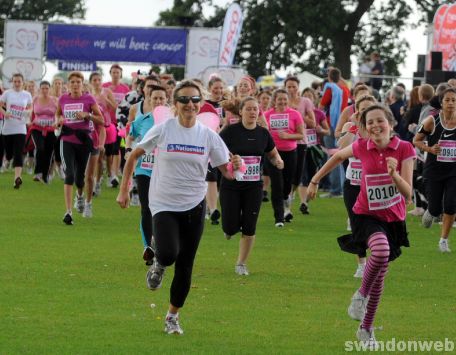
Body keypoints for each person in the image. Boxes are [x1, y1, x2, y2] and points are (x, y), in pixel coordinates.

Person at [117, 80, 242, 335]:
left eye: (195, 100)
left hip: (194, 207)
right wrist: (124, 188)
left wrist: (236, 165)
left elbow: (226, 172)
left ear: (201, 104)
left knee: (186, 265)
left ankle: (172, 317)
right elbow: (134, 154)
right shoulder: (164, 129)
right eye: (184, 100)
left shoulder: (208, 136)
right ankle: (159, 264)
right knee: (169, 253)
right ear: (175, 104)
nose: (190, 104)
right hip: (163, 203)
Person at [308, 103, 415, 348]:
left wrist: (394, 175)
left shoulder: (404, 149)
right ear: (365, 129)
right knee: (380, 252)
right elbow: (337, 156)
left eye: (380, 121)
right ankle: (360, 296)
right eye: (370, 123)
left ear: (390, 123)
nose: (376, 126)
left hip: (393, 218)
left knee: (380, 276)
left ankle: (366, 328)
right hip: (365, 215)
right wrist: (315, 179)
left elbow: (408, 194)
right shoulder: (361, 146)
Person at [219, 97, 283, 275]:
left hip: (254, 186)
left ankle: (241, 264)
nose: (253, 112)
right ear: (240, 112)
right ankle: (230, 228)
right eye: (249, 109)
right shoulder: (230, 132)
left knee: (250, 225)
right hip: (231, 184)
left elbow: (272, 153)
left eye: (256, 109)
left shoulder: (263, 133)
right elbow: (216, 153)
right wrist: (231, 162)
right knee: (230, 226)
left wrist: (278, 160)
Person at [125, 85, 167, 264]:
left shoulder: (172, 121)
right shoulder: (142, 119)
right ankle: (148, 247)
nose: (158, 101)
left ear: (166, 101)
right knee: (146, 208)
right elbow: (130, 135)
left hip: (165, 172)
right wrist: (128, 149)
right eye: (154, 98)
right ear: (148, 99)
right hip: (144, 168)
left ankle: (159, 242)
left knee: (163, 209)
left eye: (161, 98)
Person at [56, 71, 104, 225]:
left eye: (78, 82)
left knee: (80, 178)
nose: (75, 84)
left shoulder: (88, 98)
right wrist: (59, 120)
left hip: (83, 141)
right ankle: (68, 212)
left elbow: (101, 120)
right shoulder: (63, 98)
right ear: (68, 85)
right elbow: (58, 114)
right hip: (67, 139)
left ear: (82, 85)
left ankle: (80, 196)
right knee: (69, 174)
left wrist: (87, 115)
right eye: (72, 82)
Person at [338, 95, 377, 278]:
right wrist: (354, 128)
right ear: (357, 111)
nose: (365, 113)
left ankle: (377, 258)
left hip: (373, 186)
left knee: (374, 224)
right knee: (356, 223)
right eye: (362, 109)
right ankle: (362, 264)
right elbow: (341, 148)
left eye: (369, 109)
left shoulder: (379, 129)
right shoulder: (350, 127)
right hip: (352, 184)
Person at [414, 87, 456, 253]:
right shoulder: (431, 121)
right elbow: (416, 141)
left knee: (451, 204)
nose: (451, 103)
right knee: (435, 208)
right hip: (434, 170)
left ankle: (443, 240)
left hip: (453, 170)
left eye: (454, 100)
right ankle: (431, 211)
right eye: (447, 100)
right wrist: (430, 149)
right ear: (441, 103)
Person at [264, 88, 304, 226]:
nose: (282, 101)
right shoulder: (267, 115)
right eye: (279, 99)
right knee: (276, 185)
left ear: (288, 100)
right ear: (274, 100)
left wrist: (288, 136)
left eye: (284, 99)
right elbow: (262, 133)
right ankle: (279, 218)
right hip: (272, 154)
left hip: (290, 153)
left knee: (287, 185)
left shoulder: (295, 114)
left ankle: (287, 200)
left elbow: (301, 135)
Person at [319, 67, 350, 197]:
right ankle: (341, 187)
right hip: (343, 125)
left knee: (332, 156)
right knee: (342, 155)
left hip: (331, 124)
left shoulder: (330, 87)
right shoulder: (345, 89)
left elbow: (321, 106)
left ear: (329, 77)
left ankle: (335, 189)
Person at [0, 73, 33, 188]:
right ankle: (7, 160)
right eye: (15, 81)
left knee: (18, 153)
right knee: (9, 154)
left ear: (23, 82)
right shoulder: (7, 93)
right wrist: (5, 113)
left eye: (19, 81)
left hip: (21, 128)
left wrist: (28, 112)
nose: (17, 83)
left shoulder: (27, 95)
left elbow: (30, 107)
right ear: (12, 82)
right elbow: (0, 104)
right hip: (7, 129)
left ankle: (17, 179)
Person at [102, 64, 130, 187]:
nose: (115, 74)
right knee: (104, 150)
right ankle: (105, 171)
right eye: (113, 72)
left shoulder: (125, 89)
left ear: (121, 74)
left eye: (117, 72)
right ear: (110, 73)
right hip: (105, 122)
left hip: (119, 122)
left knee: (116, 149)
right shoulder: (104, 87)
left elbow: (127, 106)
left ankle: (113, 174)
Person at [30, 81, 58, 183]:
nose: (45, 90)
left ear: (50, 89)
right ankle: (38, 173)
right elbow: (29, 110)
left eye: (47, 88)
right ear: (39, 89)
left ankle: (45, 176)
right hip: (37, 128)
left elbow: (60, 114)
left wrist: (57, 122)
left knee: (49, 152)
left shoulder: (55, 100)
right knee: (40, 148)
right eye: (43, 88)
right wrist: (29, 120)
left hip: (51, 129)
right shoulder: (35, 99)